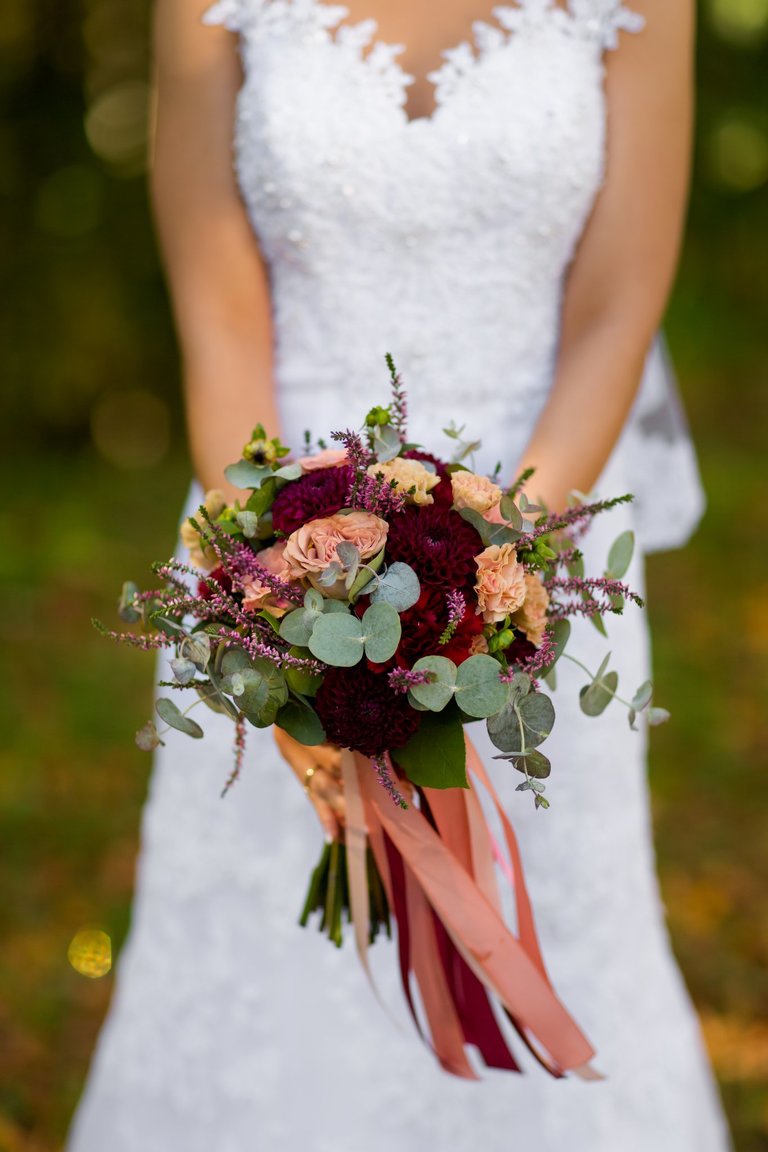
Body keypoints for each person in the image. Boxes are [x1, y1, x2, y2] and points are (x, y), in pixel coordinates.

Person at [68, 1, 734, 1148]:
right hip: (271, 525)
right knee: (266, 950)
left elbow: (618, 305)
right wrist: (269, 601)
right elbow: (221, 314)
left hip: (541, 547)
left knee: (556, 915)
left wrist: (499, 575)